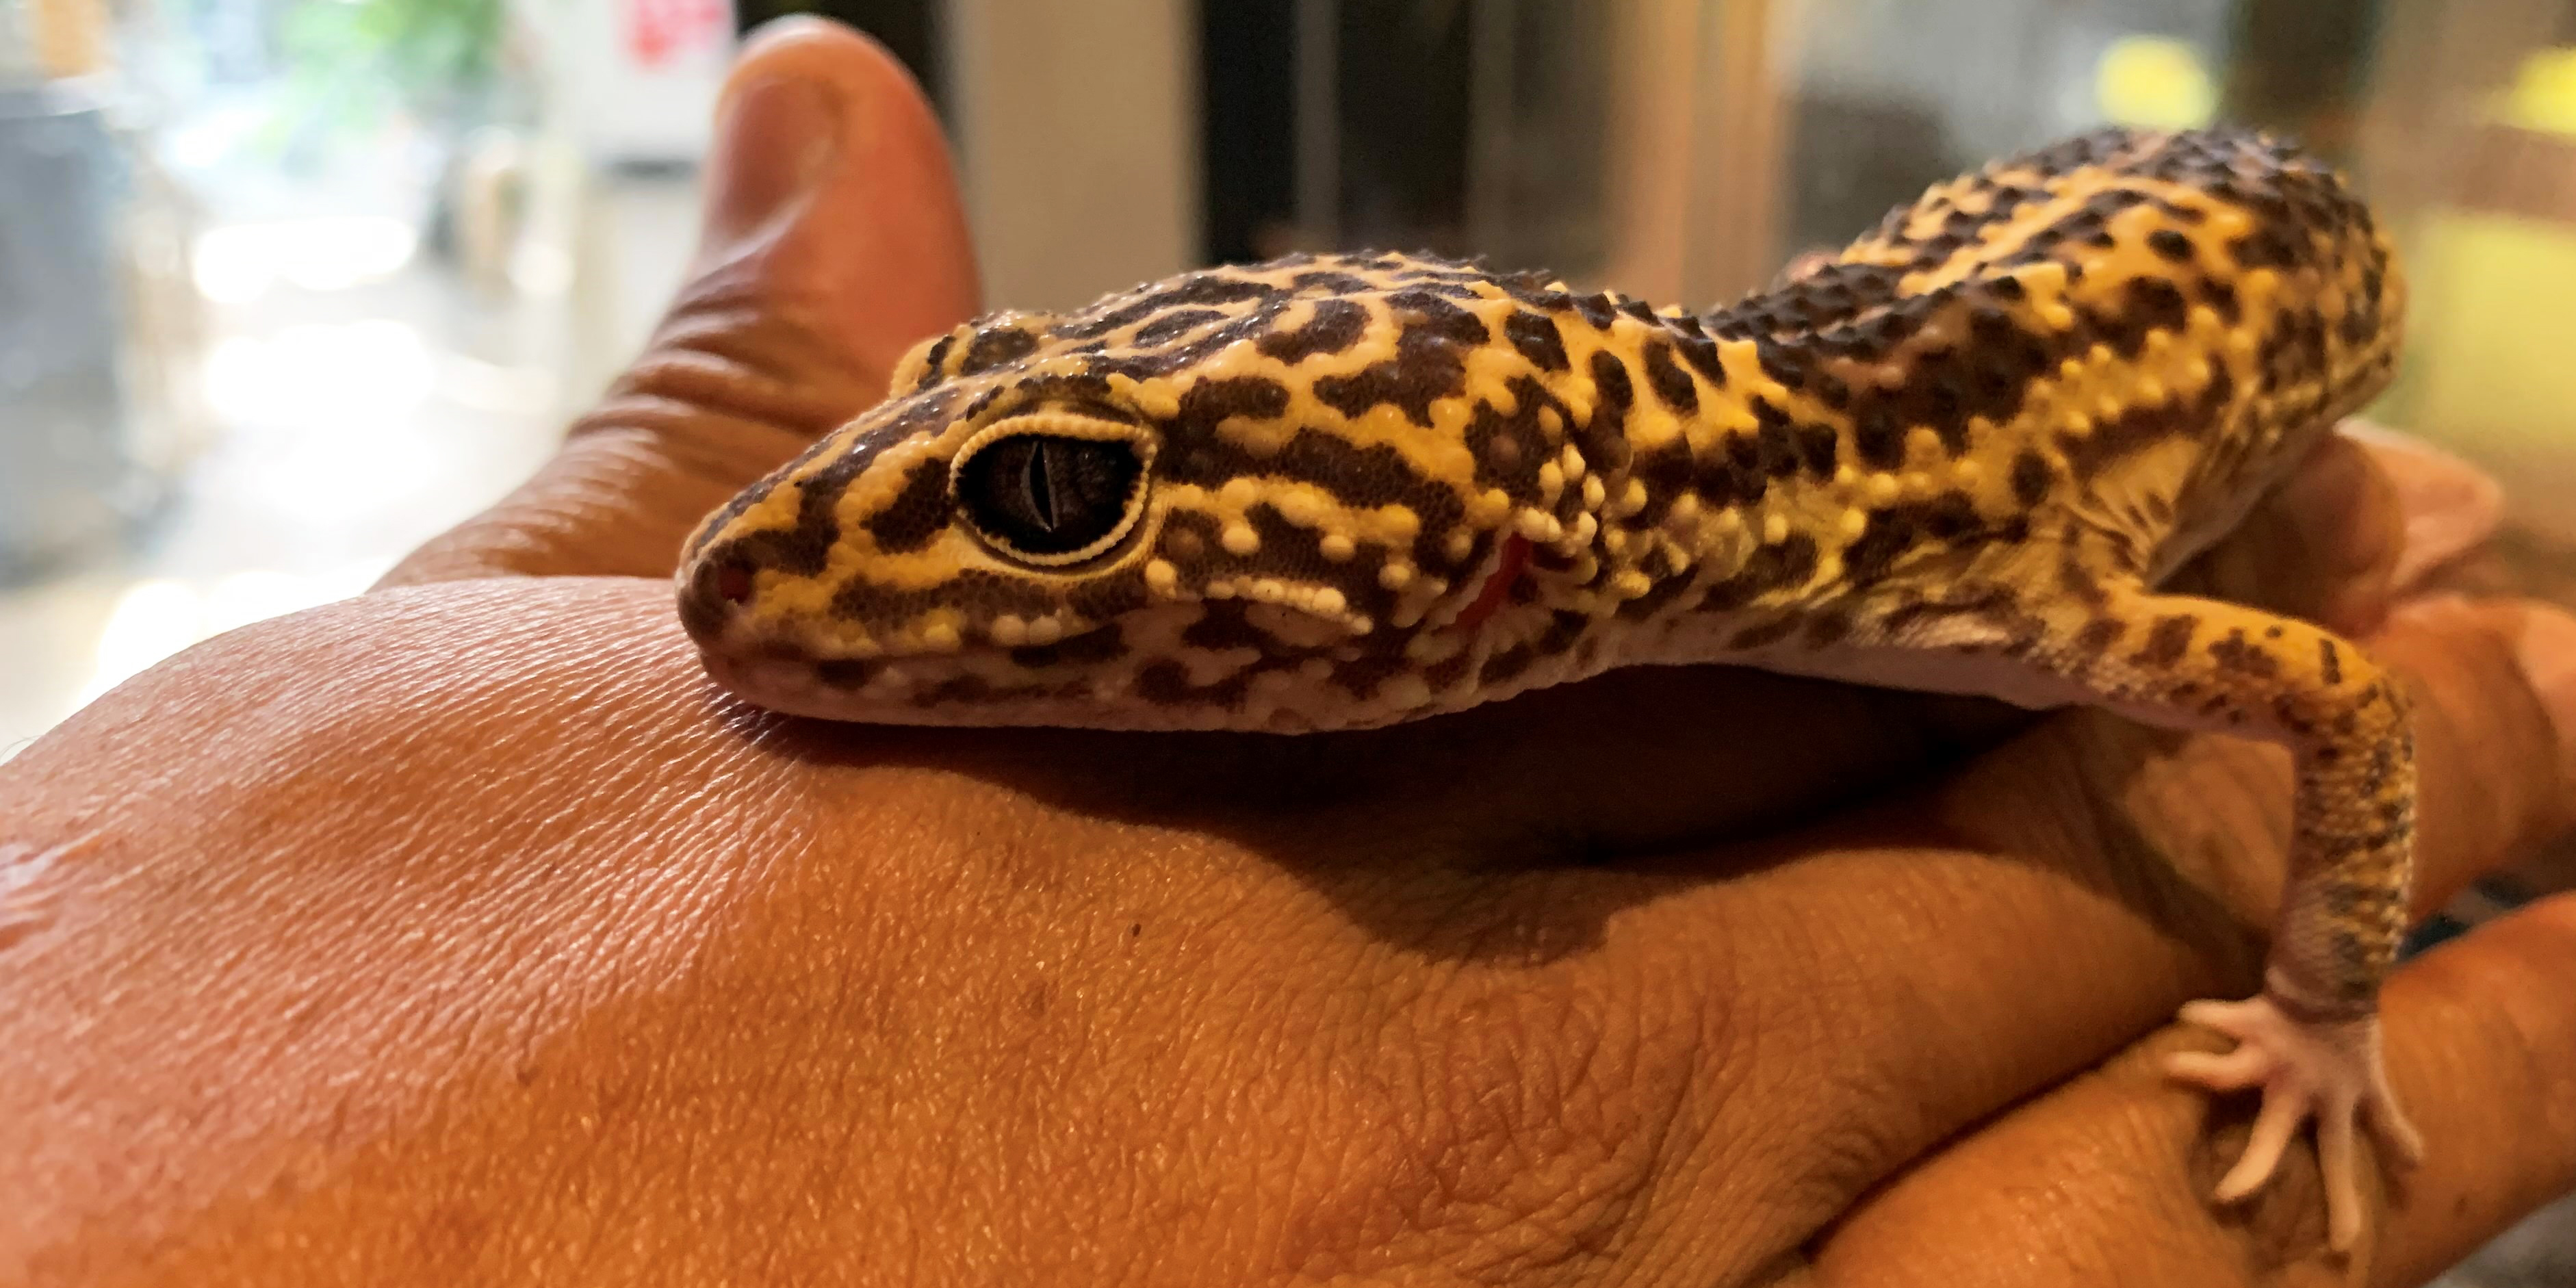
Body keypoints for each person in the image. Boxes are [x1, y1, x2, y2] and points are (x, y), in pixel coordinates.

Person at [4, 19, 2573, 1286]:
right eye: (979, 450)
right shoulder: (1666, 501)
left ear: (1473, 583)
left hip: (2230, 271)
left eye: (1042, 516)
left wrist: (2333, 994)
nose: (786, 593)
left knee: (2381, 555)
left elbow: (2338, 713)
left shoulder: (1991, 581)